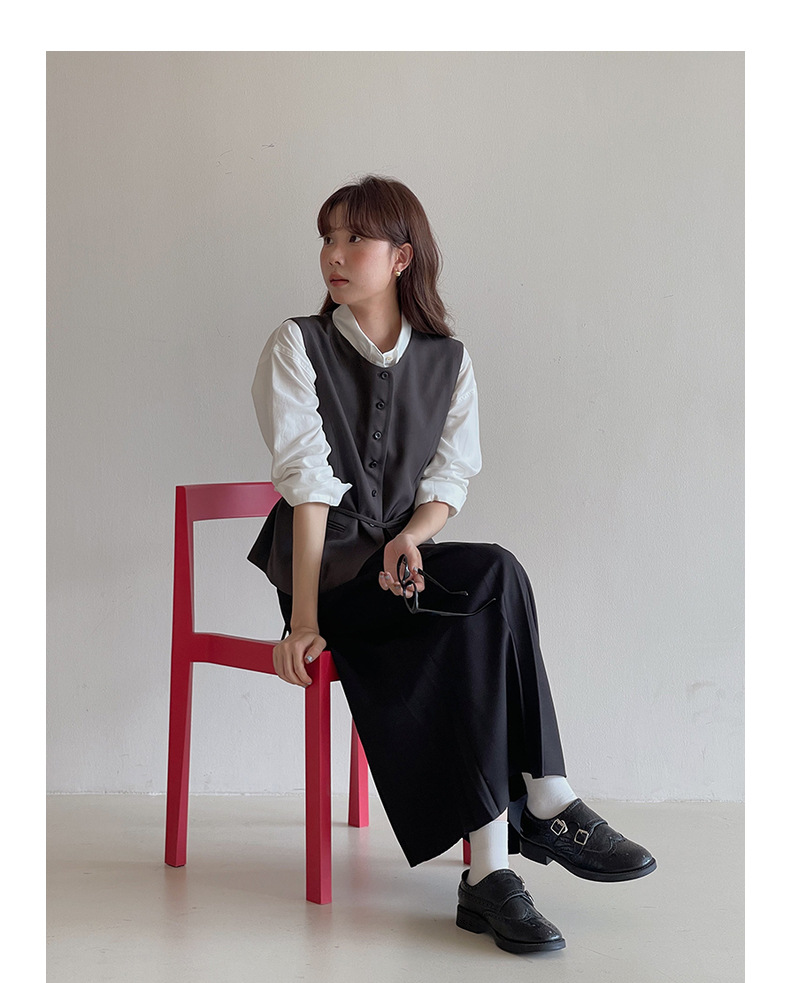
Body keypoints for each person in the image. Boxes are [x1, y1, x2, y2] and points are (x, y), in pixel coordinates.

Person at [247, 174, 656, 955]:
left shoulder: (449, 360)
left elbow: (448, 481)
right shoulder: (297, 344)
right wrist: (301, 621)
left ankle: (495, 865)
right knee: (485, 595)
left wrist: (412, 536)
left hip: (397, 568)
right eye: (327, 238)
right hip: (326, 579)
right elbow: (307, 487)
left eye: (354, 239)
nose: (334, 254)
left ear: (402, 257)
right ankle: (535, 812)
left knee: (492, 578)